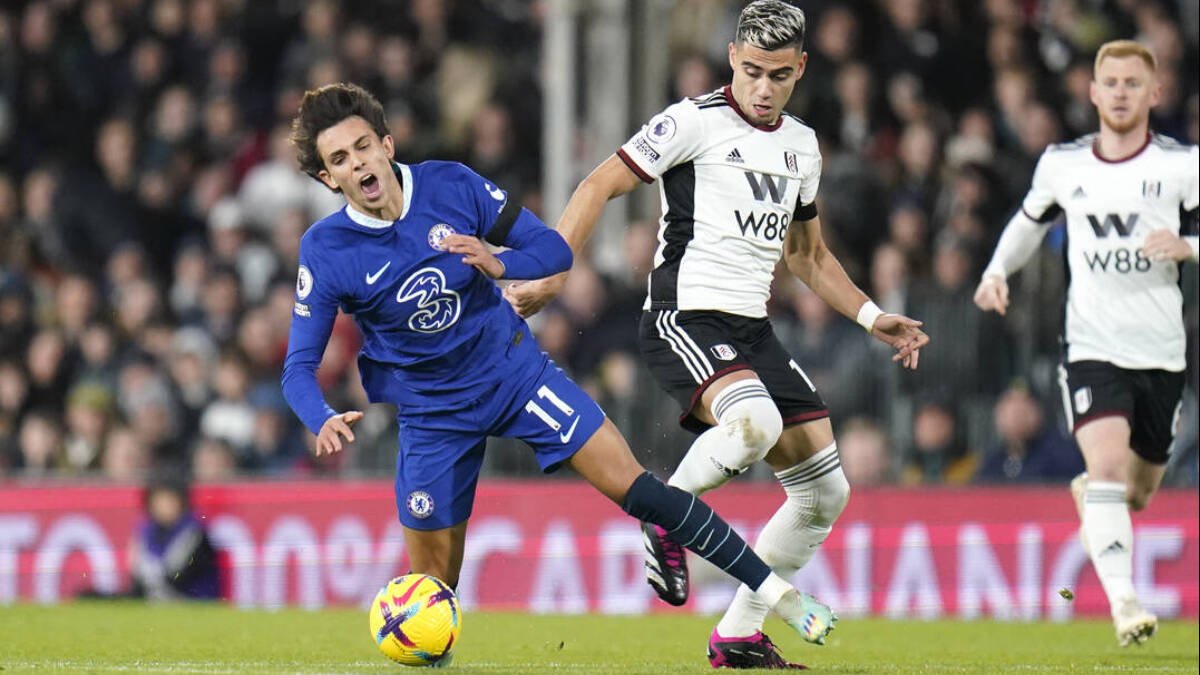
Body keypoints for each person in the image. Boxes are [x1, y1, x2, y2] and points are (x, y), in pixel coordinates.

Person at [280, 82, 838, 662]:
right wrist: (318, 416)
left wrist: (500, 261)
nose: (358, 164)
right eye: (339, 160)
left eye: (363, 146)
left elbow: (552, 250)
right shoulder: (326, 250)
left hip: (514, 376)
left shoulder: (450, 184)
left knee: (639, 488)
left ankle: (781, 597)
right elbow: (298, 366)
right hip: (432, 414)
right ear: (328, 179)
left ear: (387, 145)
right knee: (429, 596)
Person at [506, 2, 928, 668]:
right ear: (733, 55)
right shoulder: (692, 121)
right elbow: (598, 183)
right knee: (754, 421)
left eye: (779, 76)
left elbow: (808, 257)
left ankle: (737, 633)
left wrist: (875, 317)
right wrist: (555, 272)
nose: (763, 88)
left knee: (825, 493)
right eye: (753, 70)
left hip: (752, 330)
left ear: (801, 70)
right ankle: (666, 510)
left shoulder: (802, 146)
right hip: (684, 316)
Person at [974, 40, 1198, 646]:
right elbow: (1028, 222)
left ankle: (1098, 498)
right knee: (1104, 468)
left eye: (1133, 82)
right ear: (1093, 93)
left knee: (1140, 493)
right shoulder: (1064, 164)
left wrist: (1189, 247)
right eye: (1111, 82)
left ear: (1154, 94)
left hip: (1162, 352)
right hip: (1092, 346)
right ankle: (1125, 605)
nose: (1121, 92)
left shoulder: (1183, 166)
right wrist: (997, 272)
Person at [129, 477, 219, 601]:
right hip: (157, 597)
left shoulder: (195, 533)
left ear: (182, 502)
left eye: (170, 500)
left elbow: (177, 575)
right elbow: (138, 570)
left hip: (191, 599)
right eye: (160, 501)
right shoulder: (146, 530)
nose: (165, 506)